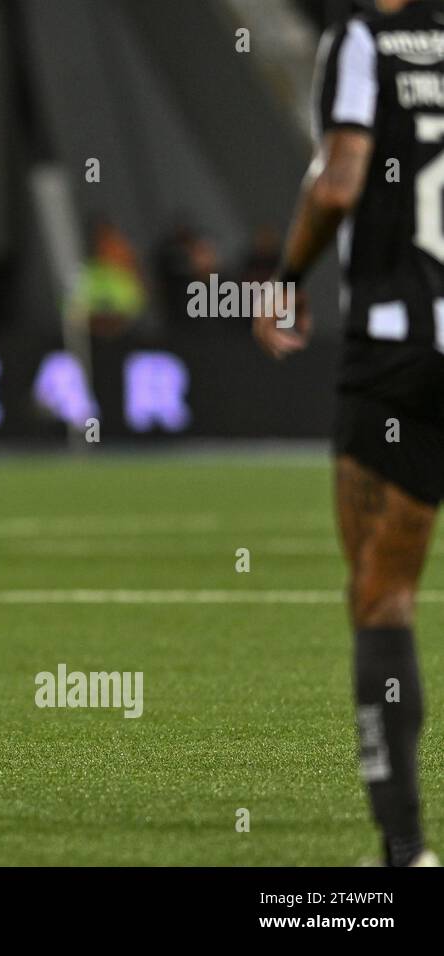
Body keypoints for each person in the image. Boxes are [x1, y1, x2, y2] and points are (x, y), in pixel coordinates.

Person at [253, 0, 442, 866]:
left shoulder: (361, 38)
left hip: (401, 350)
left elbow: (339, 179)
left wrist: (289, 272)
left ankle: (404, 851)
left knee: (380, 591)